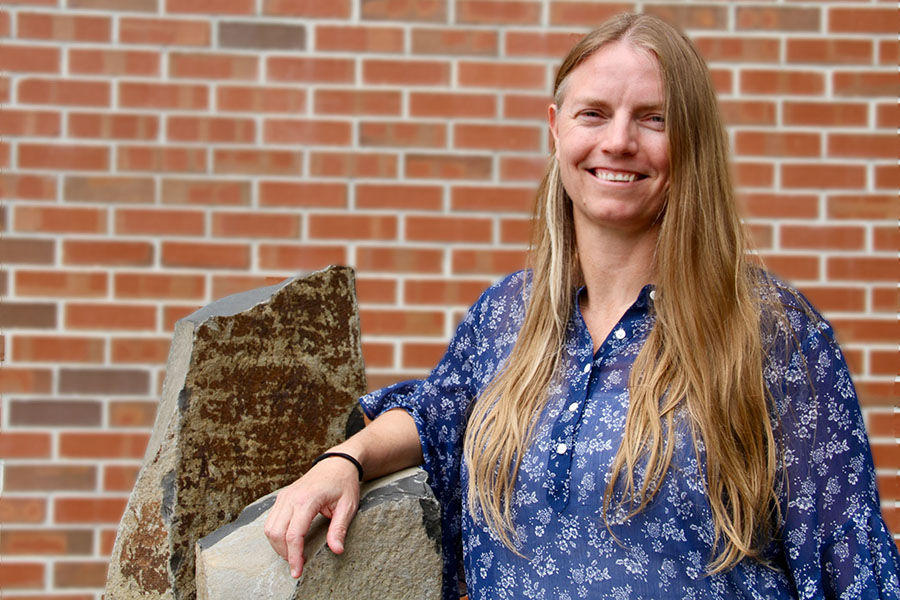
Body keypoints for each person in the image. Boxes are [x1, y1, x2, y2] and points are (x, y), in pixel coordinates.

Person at [265, 13, 900, 599]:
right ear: (556, 127)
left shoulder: (771, 332)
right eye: (593, 113)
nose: (618, 141)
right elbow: (440, 412)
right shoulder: (508, 315)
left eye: (654, 118)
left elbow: (849, 562)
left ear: (694, 140)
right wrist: (343, 461)